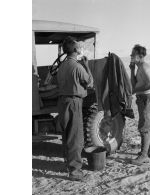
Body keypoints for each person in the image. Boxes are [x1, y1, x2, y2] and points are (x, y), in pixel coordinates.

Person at [57, 36, 93, 181]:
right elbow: (89, 82)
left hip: (63, 102)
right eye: (78, 46)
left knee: (67, 135)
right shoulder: (78, 67)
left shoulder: (63, 66)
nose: (80, 48)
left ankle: (68, 163)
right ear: (75, 49)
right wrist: (87, 66)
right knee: (76, 138)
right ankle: (75, 171)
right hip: (74, 103)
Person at [129, 44, 150, 165]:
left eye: (133, 54)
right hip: (144, 98)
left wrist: (135, 90)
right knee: (149, 126)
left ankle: (144, 155)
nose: (131, 56)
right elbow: (134, 83)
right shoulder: (139, 67)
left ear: (140, 56)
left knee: (145, 127)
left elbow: (149, 85)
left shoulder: (145, 67)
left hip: (147, 99)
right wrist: (131, 70)